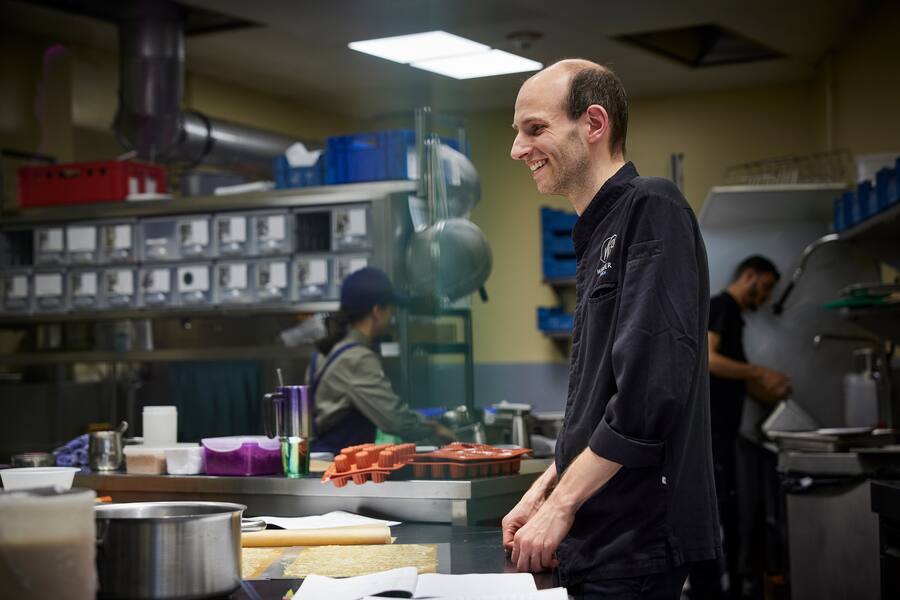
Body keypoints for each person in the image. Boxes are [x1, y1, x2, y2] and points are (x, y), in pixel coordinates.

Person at [503, 59, 720, 598]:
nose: (517, 149)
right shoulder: (597, 234)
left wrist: (560, 506)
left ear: (594, 125)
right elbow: (598, 404)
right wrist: (543, 489)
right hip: (599, 543)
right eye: (517, 133)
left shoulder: (652, 205)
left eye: (535, 129)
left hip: (637, 544)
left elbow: (646, 398)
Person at [689, 256, 791, 599]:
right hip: (712, 434)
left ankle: (727, 587)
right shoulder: (722, 306)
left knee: (730, 515)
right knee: (720, 516)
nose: (762, 299)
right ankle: (716, 592)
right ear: (749, 276)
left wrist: (769, 393)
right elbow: (709, 358)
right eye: (763, 288)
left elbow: (733, 375)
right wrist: (760, 372)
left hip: (724, 434)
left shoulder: (733, 315)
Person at [307, 267, 455, 453]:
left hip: (319, 462)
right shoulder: (357, 358)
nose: (391, 317)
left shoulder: (324, 352)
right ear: (377, 311)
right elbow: (394, 419)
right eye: (390, 311)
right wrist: (436, 429)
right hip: (339, 468)